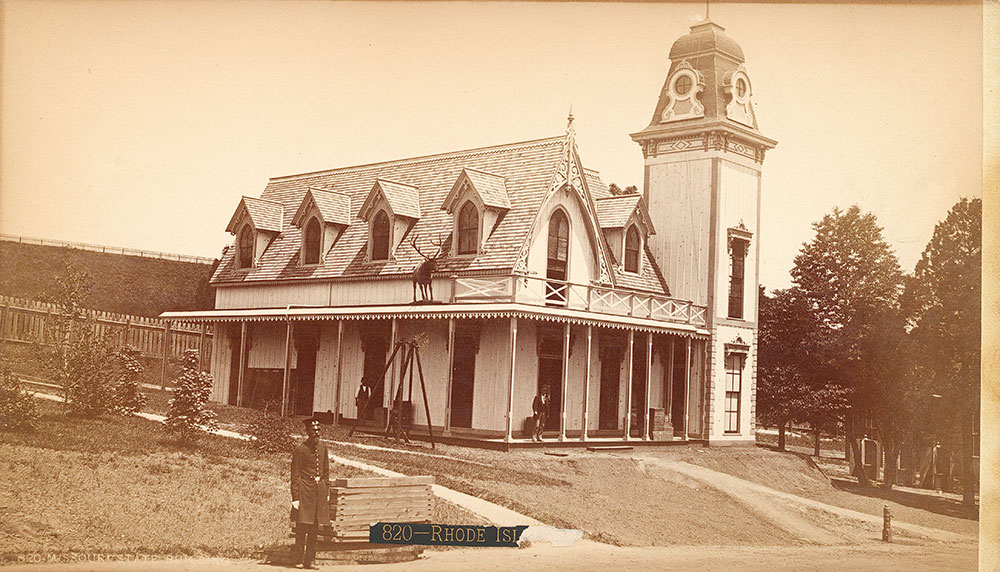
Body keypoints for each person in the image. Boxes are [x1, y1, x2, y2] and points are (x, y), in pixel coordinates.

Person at [291, 416, 330, 569]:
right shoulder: (300, 450)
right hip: (305, 490)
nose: (316, 433)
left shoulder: (323, 448)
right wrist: (295, 497)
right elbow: (294, 475)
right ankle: (298, 559)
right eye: (313, 431)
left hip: (318, 491)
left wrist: (326, 491)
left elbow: (326, 472)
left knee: (314, 528)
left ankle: (310, 560)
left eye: (317, 430)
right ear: (307, 432)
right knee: (302, 527)